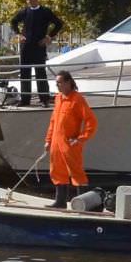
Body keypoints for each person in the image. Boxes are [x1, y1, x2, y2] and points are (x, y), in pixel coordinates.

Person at [46, 70, 96, 208]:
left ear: (68, 83)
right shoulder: (58, 98)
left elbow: (91, 121)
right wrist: (48, 140)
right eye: (56, 83)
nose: (58, 86)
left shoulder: (77, 99)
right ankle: (60, 201)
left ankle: (84, 203)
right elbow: (53, 121)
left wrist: (81, 139)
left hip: (70, 142)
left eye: (60, 83)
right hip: (57, 142)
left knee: (76, 173)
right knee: (56, 170)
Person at [10, 0, 64, 107]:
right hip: (26, 46)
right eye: (27, 0)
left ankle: (44, 98)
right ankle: (25, 100)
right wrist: (18, 34)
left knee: (40, 73)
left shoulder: (45, 11)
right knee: (25, 73)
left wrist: (49, 37)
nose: (29, 2)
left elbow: (58, 23)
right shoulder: (24, 11)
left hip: (39, 46)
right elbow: (13, 22)